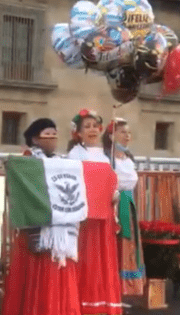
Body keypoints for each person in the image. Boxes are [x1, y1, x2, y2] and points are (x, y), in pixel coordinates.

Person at [2, 118, 82, 315]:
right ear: (35, 139)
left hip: (60, 230)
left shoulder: (63, 162)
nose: (52, 138)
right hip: (35, 229)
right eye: (47, 134)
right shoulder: (27, 160)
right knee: (35, 276)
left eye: (55, 134)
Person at [68, 109, 122, 315]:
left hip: (105, 215)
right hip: (86, 217)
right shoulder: (75, 155)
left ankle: (103, 302)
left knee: (104, 260)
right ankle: (84, 301)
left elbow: (112, 181)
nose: (92, 130)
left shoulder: (106, 155)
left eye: (94, 126)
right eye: (87, 127)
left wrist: (114, 192)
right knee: (87, 259)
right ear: (79, 133)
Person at [102, 118, 145, 296]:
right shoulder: (107, 159)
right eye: (122, 132)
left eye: (128, 133)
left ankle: (127, 286)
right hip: (113, 204)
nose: (127, 136)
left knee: (129, 244)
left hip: (128, 204)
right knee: (114, 243)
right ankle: (111, 286)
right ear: (111, 136)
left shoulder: (129, 159)